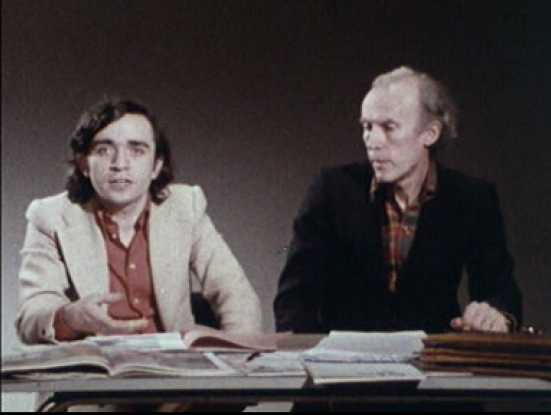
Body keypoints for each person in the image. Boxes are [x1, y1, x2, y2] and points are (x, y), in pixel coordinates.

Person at [274, 66, 522, 336]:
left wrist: (496, 316)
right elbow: (294, 299)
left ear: (430, 133)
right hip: (342, 358)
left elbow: (500, 290)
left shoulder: (472, 197)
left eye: (389, 127)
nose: (373, 141)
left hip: (434, 357)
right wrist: (304, 353)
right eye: (367, 127)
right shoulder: (331, 189)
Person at [16, 98, 262, 345]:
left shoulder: (186, 206)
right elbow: (31, 315)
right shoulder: (49, 216)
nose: (120, 164)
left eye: (137, 150)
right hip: (92, 366)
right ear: (84, 165)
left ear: (156, 166)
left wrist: (238, 357)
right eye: (104, 150)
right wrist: (70, 318)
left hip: (172, 365)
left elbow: (235, 292)